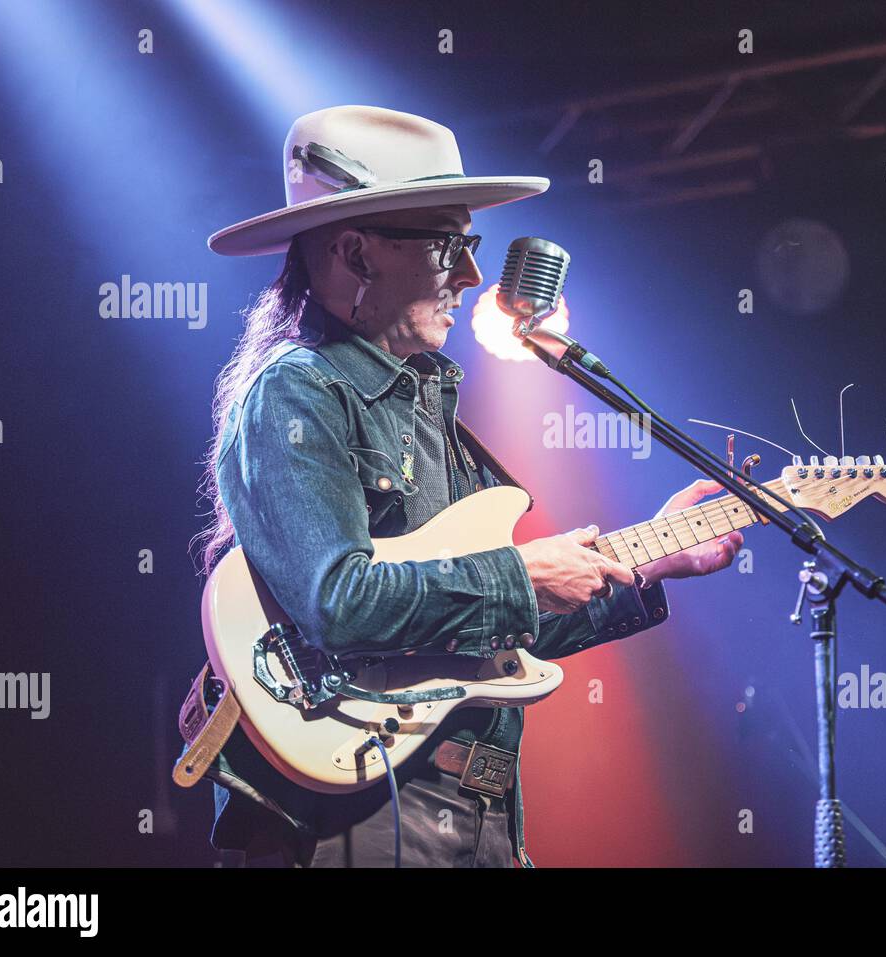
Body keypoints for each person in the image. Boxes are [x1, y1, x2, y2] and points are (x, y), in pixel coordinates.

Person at [186, 106, 743, 867]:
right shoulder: (300, 391)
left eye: (470, 247)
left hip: (476, 812)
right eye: (449, 246)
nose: (472, 276)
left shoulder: (428, 408)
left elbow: (485, 637)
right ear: (354, 252)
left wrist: (649, 563)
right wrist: (519, 574)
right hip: (362, 811)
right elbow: (336, 601)